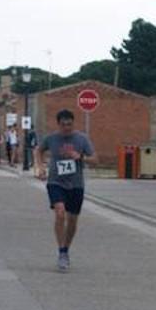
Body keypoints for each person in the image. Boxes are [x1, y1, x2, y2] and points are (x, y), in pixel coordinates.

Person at [35, 109, 96, 272]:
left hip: (76, 184)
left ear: (73, 123)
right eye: (63, 125)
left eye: (69, 124)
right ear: (58, 124)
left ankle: (66, 249)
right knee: (60, 212)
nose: (67, 128)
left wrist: (80, 157)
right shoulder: (52, 138)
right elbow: (39, 150)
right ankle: (61, 251)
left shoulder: (81, 139)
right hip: (56, 182)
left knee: (73, 219)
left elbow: (95, 158)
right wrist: (40, 167)